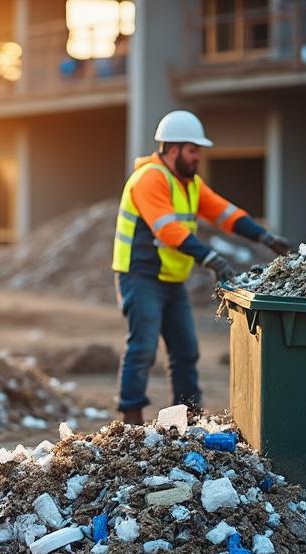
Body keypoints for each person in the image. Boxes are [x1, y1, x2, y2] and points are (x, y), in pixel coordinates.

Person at [112, 109, 293, 424]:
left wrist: (263, 236)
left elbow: (224, 213)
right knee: (142, 347)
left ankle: (187, 417)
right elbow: (168, 230)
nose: (198, 157)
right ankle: (131, 420)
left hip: (171, 279)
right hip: (140, 276)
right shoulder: (149, 178)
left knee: (186, 352)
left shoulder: (188, 183)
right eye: (193, 150)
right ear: (173, 149)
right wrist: (211, 259)